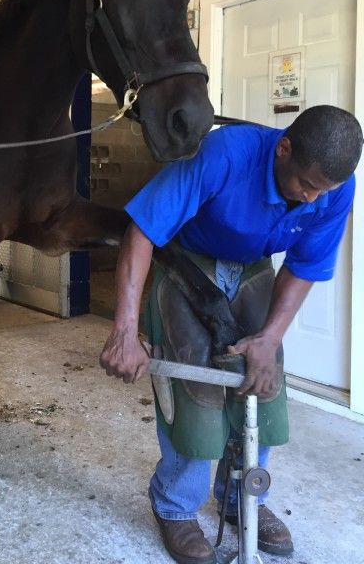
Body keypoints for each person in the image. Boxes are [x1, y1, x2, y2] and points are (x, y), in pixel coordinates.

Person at [100, 105, 362, 564]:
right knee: (196, 386)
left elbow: (304, 266)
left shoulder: (331, 189)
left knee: (263, 381)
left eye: (325, 191)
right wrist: (124, 329)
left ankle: (245, 499)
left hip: (255, 267)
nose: (312, 200)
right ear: (284, 150)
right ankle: (175, 506)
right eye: (306, 185)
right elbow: (142, 231)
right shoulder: (224, 155)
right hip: (188, 262)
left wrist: (268, 338)